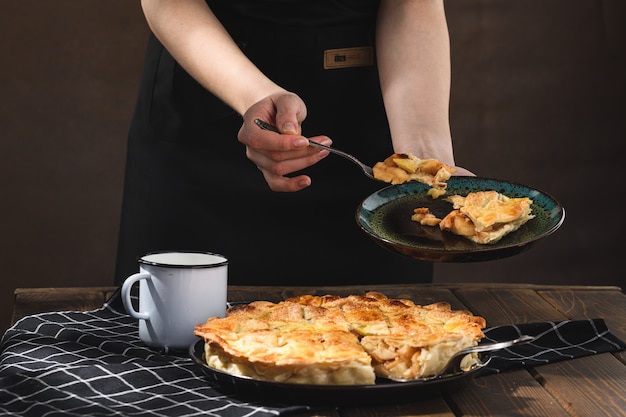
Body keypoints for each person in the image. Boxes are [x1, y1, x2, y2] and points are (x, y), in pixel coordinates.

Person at [114, 0, 470, 286]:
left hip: (369, 128)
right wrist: (255, 95)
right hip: (204, 118)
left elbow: (411, 5)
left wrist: (426, 158)